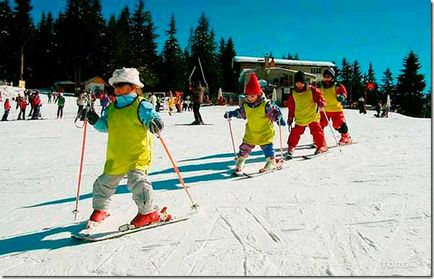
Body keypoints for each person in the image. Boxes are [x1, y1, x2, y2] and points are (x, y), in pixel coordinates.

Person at [83, 67, 169, 229]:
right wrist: (94, 119)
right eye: (114, 85)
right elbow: (105, 126)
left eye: (120, 84)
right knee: (103, 183)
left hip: (138, 153)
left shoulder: (141, 105)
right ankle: (101, 209)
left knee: (138, 182)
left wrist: (155, 123)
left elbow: (153, 118)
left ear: (133, 87)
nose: (116, 88)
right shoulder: (112, 108)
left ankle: (147, 212)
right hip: (117, 154)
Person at [224, 73, 286, 174]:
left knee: (267, 148)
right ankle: (241, 160)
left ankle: (271, 161)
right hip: (251, 132)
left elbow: (274, 111)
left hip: (265, 132)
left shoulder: (266, 104)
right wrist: (232, 113)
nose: (250, 98)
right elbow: (241, 113)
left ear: (258, 94)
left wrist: (278, 118)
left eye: (252, 96)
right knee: (245, 148)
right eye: (247, 96)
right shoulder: (246, 105)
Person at [286, 71, 328, 159]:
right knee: (295, 133)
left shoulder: (312, 90)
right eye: (297, 83)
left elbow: (321, 99)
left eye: (301, 83)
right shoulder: (293, 93)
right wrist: (290, 117)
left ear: (305, 82)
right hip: (300, 117)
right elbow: (291, 107)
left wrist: (322, 103)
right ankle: (291, 147)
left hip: (312, 116)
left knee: (317, 131)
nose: (299, 85)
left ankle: (321, 146)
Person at [317, 67, 352, 144]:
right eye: (325, 77)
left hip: (336, 109)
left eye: (328, 77)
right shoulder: (320, 85)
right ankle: (319, 139)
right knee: (321, 124)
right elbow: (316, 93)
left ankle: (345, 136)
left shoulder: (337, 86)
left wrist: (342, 97)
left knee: (337, 124)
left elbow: (344, 93)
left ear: (332, 77)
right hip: (324, 109)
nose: (326, 79)